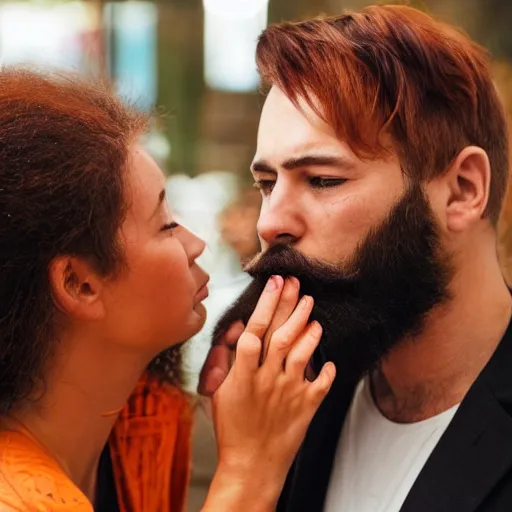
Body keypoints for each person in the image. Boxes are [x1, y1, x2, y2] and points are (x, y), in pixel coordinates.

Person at [199, 4, 512, 511]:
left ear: (462, 190)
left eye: (323, 180)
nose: (269, 223)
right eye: (266, 183)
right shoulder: (281, 403)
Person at [0, 68, 335, 512]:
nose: (195, 244)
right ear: (79, 284)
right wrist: (250, 467)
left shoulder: (147, 424)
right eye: (165, 225)